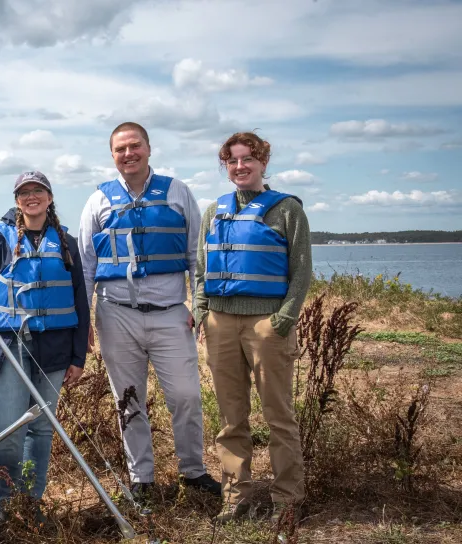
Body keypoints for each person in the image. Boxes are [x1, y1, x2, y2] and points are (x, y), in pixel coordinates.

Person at [78, 122, 222, 500]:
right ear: (112, 155)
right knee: (128, 400)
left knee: (187, 396)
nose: (128, 154)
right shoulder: (98, 201)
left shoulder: (177, 192)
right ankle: (141, 478)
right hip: (116, 313)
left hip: (170, 312)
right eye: (120, 149)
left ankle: (193, 471)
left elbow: (196, 255)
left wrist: (198, 305)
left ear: (148, 148)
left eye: (134, 146)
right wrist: (84, 321)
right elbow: (86, 265)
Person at [194, 132, 312, 524]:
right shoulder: (214, 212)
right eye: (232, 161)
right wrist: (202, 311)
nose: (240, 166)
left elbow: (301, 271)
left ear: (263, 162)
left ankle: (288, 498)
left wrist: (284, 319)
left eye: (248, 159)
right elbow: (201, 270)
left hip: (267, 325)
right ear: (225, 167)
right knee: (231, 417)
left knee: (278, 414)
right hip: (221, 323)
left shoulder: (287, 209)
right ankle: (235, 496)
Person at [0, 171, 89, 524]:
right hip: (8, 348)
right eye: (24, 192)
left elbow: (81, 303)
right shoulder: (0, 239)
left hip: (54, 349)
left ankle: (31, 503)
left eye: (38, 191)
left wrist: (78, 357)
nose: (31, 196)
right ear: (17, 199)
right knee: (8, 430)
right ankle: (4, 509)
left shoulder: (66, 242)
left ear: (50, 198)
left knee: (40, 429)